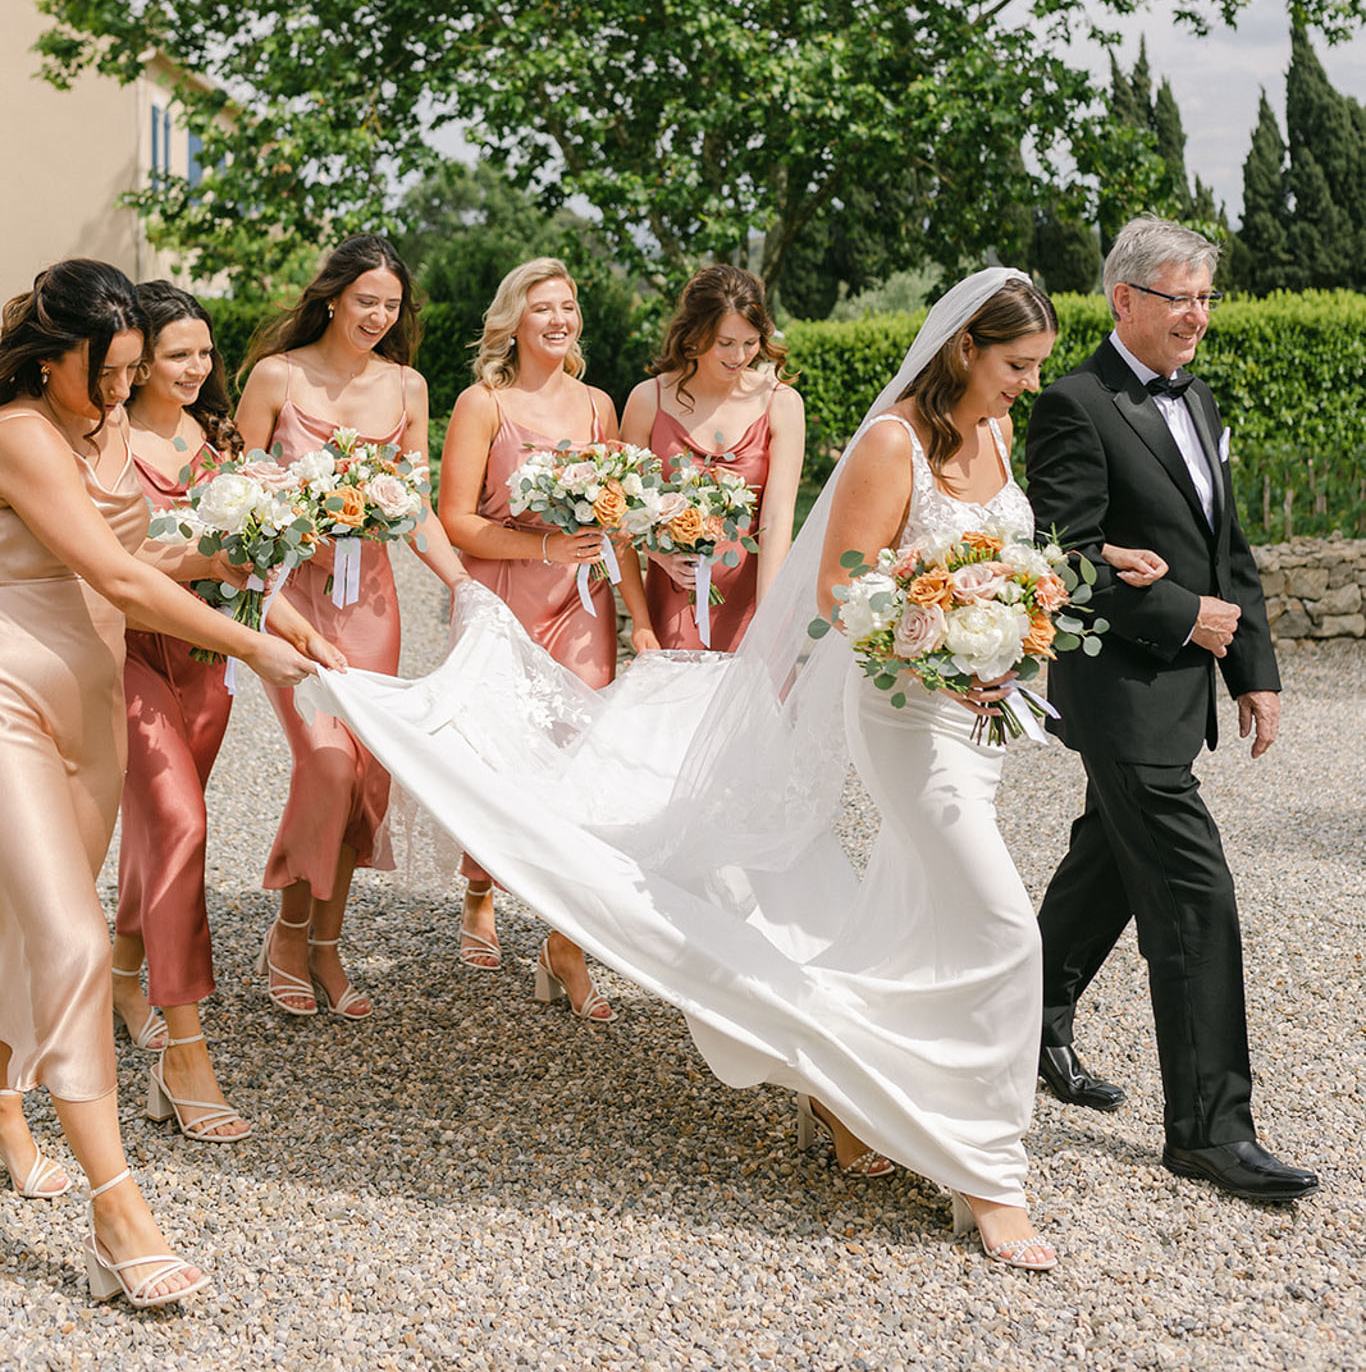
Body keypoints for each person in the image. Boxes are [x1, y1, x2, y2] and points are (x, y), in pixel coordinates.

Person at [303, 267, 1155, 1268]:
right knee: (1006, 925)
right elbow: (849, 588)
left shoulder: (999, 435)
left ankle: (848, 1093)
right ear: (965, 348)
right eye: (1017, 363)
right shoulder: (894, 444)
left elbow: (1004, 556)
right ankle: (987, 1171)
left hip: (980, 728)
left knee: (912, 920)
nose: (1028, 382)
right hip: (910, 719)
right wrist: (943, 626)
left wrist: (1034, 600)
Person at [0, 259, 317, 1308]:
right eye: (111, 371)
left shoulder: (105, 430)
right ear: (53, 360)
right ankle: (119, 1211)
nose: (124, 392)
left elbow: (155, 553)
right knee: (78, 936)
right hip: (10, 695)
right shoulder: (18, 431)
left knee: (33, 927)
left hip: (91, 705)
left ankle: (6, 1102)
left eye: (136, 371)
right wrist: (251, 647)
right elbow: (118, 576)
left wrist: (244, 580)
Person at [1025, 216, 1317, 1202]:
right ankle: (1207, 1127)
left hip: (1181, 691)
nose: (1196, 314)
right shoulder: (1073, 403)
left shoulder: (1197, 397)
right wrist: (1180, 614)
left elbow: (1225, 547)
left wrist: (1254, 667)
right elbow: (1062, 563)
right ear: (1124, 300)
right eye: (1178, 296)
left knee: (1102, 870)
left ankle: (1023, 1022)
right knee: (1196, 897)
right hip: (1115, 691)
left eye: (1204, 296)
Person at [113, 282, 345, 1139]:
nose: (195, 368)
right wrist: (203, 562)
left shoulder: (217, 447)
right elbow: (120, 560)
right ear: (136, 359)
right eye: (176, 354)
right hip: (129, 656)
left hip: (210, 665)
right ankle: (186, 1052)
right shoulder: (104, 441)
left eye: (204, 353)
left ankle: (126, 971)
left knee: (165, 829)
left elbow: (251, 572)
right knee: (179, 825)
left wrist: (306, 632)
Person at [236, 234, 466, 1021]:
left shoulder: (409, 387)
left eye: (391, 305)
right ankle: (290, 933)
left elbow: (418, 507)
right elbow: (233, 503)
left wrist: (464, 583)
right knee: (327, 764)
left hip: (372, 608)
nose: (378, 314)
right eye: (366, 299)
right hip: (292, 602)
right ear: (333, 295)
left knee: (367, 777)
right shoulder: (277, 377)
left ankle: (329, 948)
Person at [438, 257, 659, 1012]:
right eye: (543, 309)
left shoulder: (600, 406)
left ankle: (565, 943)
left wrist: (641, 620)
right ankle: (478, 891)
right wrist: (539, 547)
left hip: (584, 602)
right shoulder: (482, 404)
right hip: (507, 599)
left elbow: (619, 525)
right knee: (496, 756)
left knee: (582, 763)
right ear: (514, 321)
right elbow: (456, 522)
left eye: (568, 306)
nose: (559, 320)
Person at [620, 265, 804, 651]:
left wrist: (768, 619)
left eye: (751, 342)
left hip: (752, 601)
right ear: (695, 335)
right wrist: (658, 553)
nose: (740, 356)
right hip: (675, 598)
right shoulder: (647, 400)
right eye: (725, 343)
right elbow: (625, 512)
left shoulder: (782, 403)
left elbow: (776, 516)